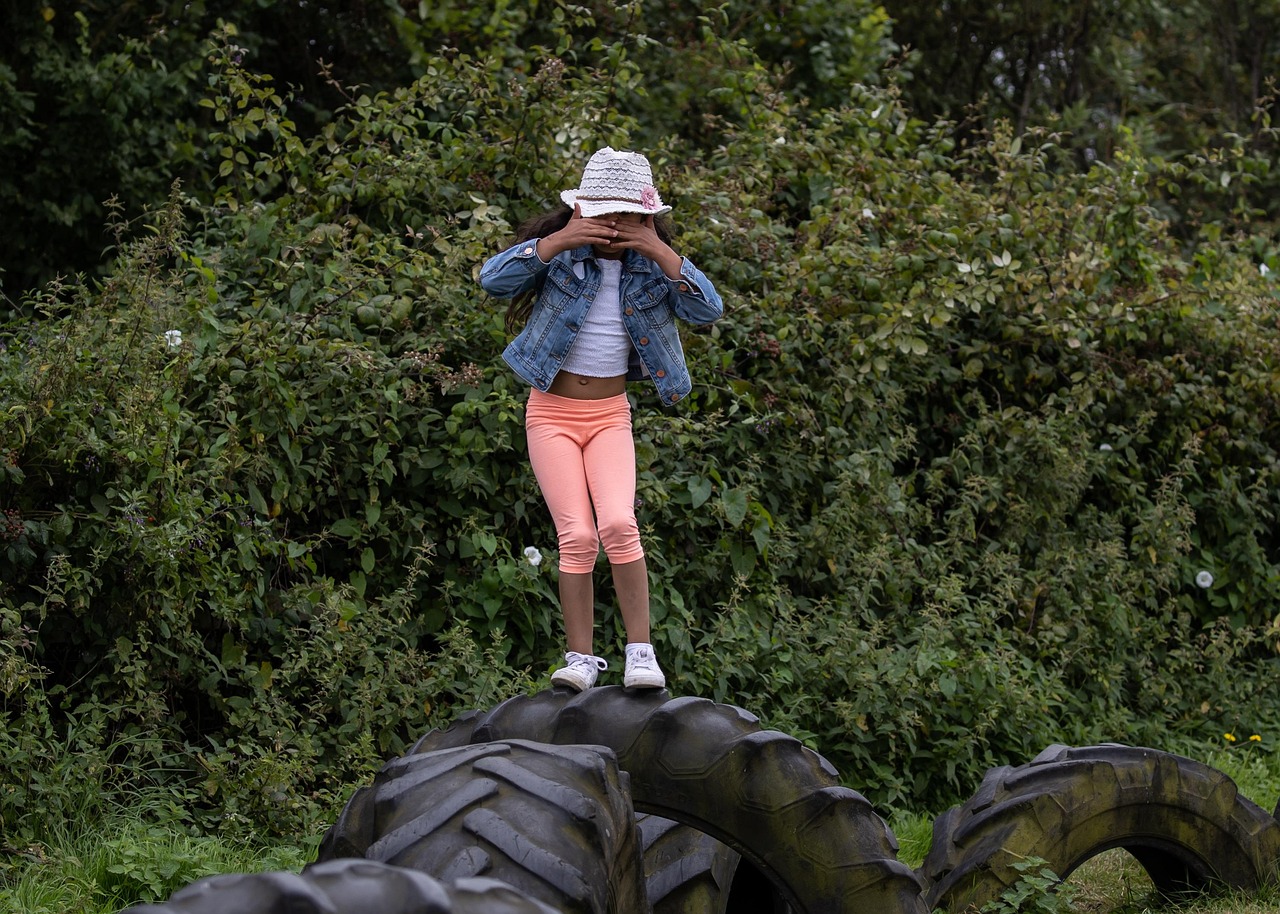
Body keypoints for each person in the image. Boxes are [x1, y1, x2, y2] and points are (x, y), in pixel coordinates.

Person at [479, 147, 724, 691]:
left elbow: (708, 309)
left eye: (627, 216)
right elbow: (492, 280)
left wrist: (659, 249)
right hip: (551, 415)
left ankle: (641, 653)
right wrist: (560, 239)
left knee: (618, 523)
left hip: (610, 416)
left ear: (645, 217)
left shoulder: (653, 269)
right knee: (577, 535)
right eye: (603, 213)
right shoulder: (565, 255)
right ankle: (580, 660)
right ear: (584, 209)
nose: (614, 226)